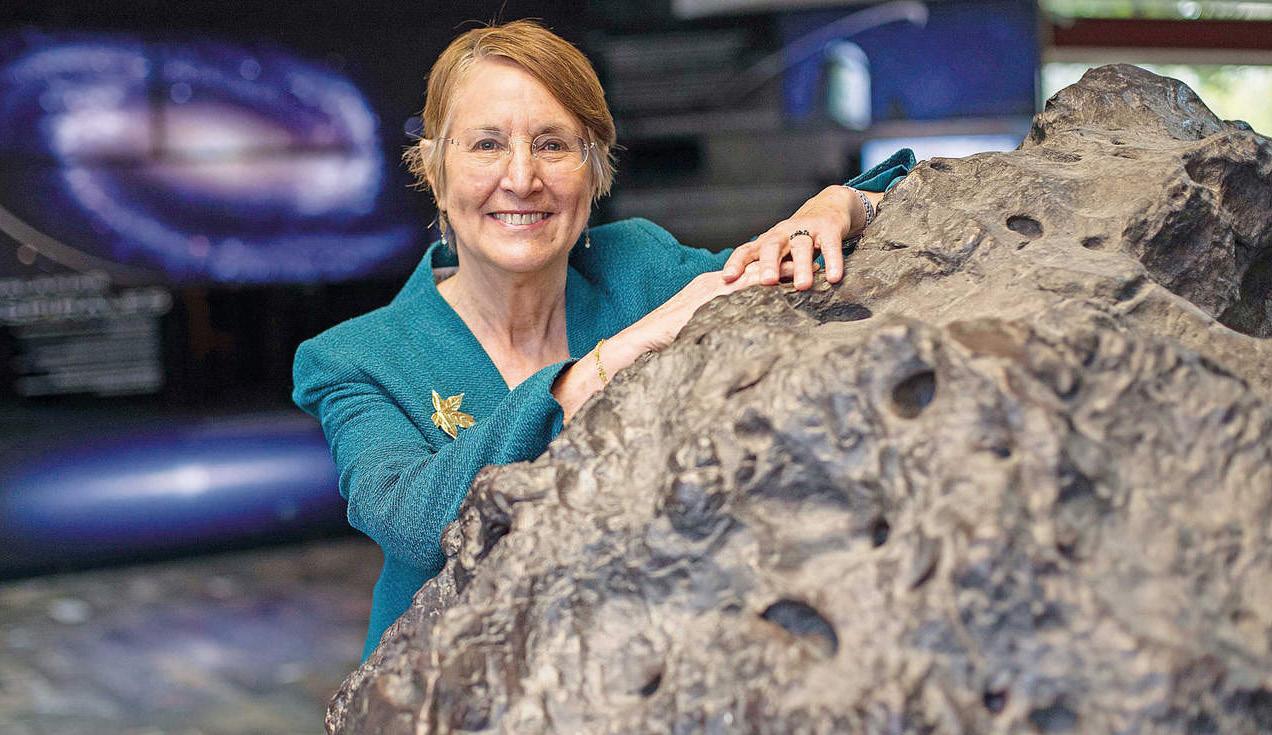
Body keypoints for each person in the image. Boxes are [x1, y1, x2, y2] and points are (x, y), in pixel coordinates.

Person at [292, 19, 914, 661]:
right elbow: (417, 525)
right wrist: (605, 364)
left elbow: (862, 231)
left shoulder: (640, 267)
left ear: (594, 170)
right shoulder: (353, 361)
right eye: (486, 144)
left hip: (636, 661)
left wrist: (835, 206)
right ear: (434, 169)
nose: (522, 178)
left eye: (553, 145)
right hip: (451, 678)